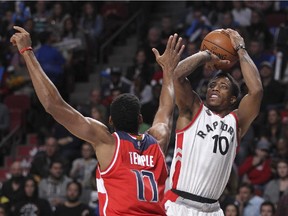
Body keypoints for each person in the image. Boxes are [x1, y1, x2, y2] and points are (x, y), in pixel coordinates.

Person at [10, 26, 185, 215]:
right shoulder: (158, 140)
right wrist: (168, 70)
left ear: (110, 121)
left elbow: (53, 104)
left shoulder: (107, 142)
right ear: (140, 119)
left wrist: (27, 52)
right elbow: (166, 110)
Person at [164, 28, 263, 215]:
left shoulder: (237, 122)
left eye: (223, 86)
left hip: (213, 210)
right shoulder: (193, 111)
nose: (215, 88)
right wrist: (207, 54)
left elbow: (256, 91)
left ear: (234, 99)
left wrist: (240, 48)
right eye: (212, 85)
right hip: (179, 205)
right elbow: (177, 75)